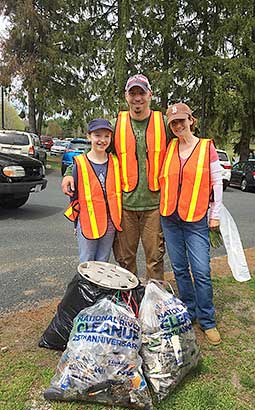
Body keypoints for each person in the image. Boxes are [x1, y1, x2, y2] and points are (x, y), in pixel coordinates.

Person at [62, 75, 168, 278]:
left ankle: (154, 302)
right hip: (124, 206)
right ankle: (129, 302)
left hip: (154, 206)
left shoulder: (162, 123)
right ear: (126, 96)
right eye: (132, 93)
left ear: (150, 95)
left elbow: (183, 144)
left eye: (141, 93)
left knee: (155, 258)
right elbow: (95, 151)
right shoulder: (115, 125)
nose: (137, 98)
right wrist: (69, 173)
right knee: (125, 259)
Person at [159, 103, 223, 345]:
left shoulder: (207, 147)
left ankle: (208, 321)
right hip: (170, 218)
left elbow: (216, 183)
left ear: (191, 121)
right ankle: (189, 310)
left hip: (196, 219)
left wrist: (214, 214)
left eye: (181, 121)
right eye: (173, 123)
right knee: (179, 269)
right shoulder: (170, 148)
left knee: (202, 271)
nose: (178, 126)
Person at [64, 118, 122, 263]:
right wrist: (76, 224)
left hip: (110, 222)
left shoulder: (115, 161)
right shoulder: (80, 163)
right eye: (97, 135)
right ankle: (85, 286)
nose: (102, 140)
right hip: (87, 221)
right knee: (87, 262)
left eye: (106, 136)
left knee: (103, 261)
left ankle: (100, 287)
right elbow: (74, 197)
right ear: (89, 136)